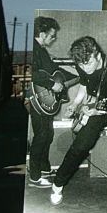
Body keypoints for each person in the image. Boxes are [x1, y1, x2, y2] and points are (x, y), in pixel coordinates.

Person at [49, 36, 107, 213]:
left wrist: (97, 112)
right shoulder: (82, 64)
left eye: (88, 63)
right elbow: (84, 84)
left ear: (97, 54)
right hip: (98, 105)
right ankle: (57, 184)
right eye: (81, 66)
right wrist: (75, 104)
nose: (85, 69)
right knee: (80, 146)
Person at [26, 16, 63, 188]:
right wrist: (51, 84)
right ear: (41, 34)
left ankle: (44, 170)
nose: (53, 38)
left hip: (43, 100)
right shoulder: (34, 49)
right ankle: (34, 176)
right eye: (51, 35)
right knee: (42, 135)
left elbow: (52, 71)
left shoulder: (41, 50)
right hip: (38, 99)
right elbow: (33, 73)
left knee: (47, 135)